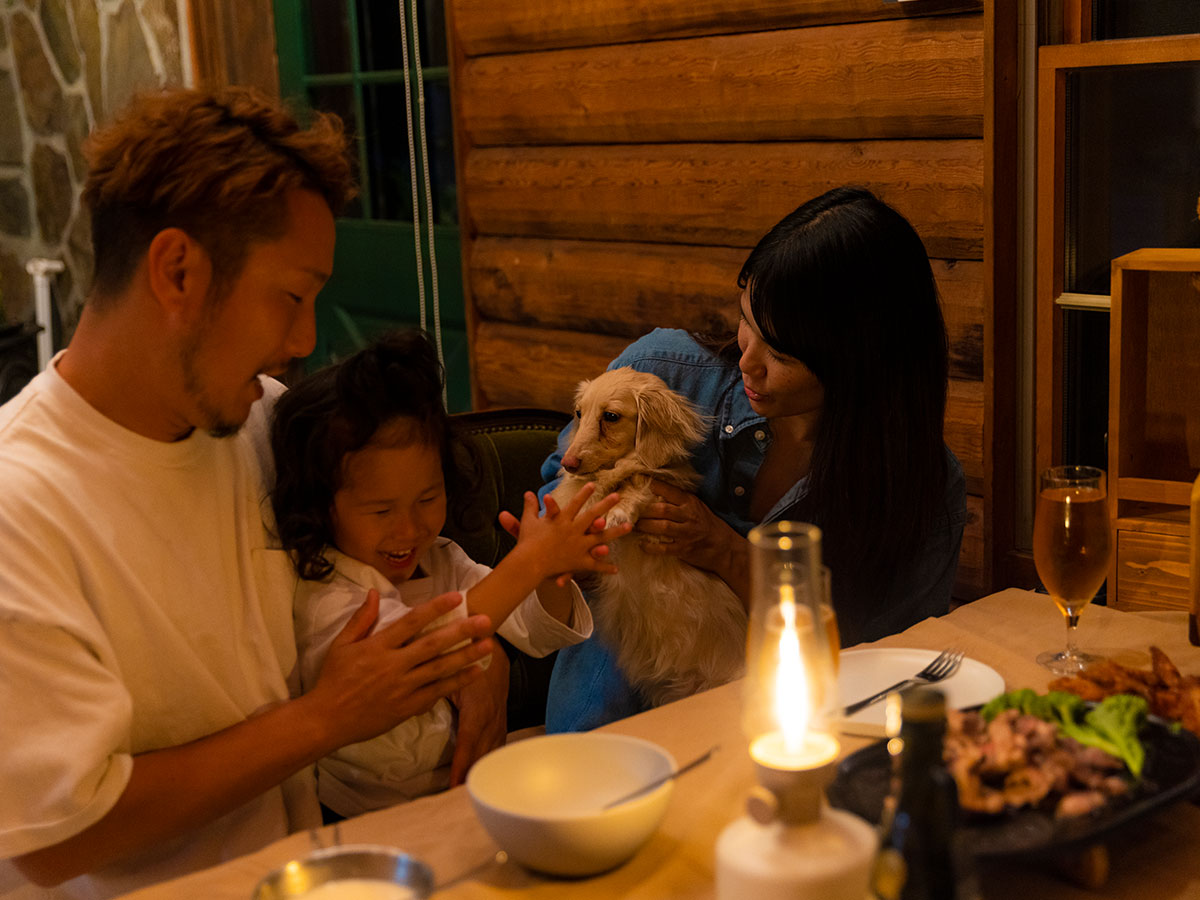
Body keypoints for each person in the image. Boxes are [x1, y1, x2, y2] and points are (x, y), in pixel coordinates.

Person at [0, 86, 495, 899]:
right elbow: (60, 839)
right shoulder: (21, 505)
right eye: (292, 297)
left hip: (314, 867)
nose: (305, 339)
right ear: (178, 271)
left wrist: (477, 662)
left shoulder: (261, 420)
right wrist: (326, 717)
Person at [541, 186, 968, 732]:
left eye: (781, 353)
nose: (747, 361)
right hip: (601, 729)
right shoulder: (663, 374)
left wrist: (726, 551)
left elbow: (879, 659)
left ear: (862, 364)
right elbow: (555, 506)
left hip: (776, 731)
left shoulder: (920, 486)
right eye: (747, 320)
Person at [270, 330, 626, 817]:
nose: (410, 528)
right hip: (366, 815)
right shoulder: (324, 592)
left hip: (465, 794)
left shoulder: (440, 559)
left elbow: (530, 629)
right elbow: (424, 651)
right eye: (381, 510)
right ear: (320, 506)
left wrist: (550, 576)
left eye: (427, 498)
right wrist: (527, 563)